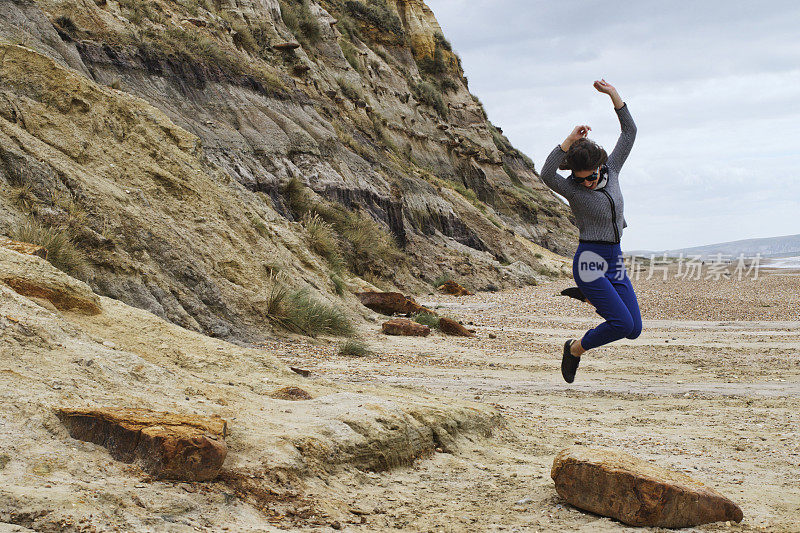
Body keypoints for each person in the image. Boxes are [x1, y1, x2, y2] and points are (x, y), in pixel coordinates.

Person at [539, 79, 642, 383]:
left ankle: (589, 299)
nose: (585, 182)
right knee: (621, 324)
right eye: (580, 178)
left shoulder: (613, 169)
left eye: (590, 176)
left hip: (615, 259)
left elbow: (629, 132)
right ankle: (573, 349)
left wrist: (614, 96)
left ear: (600, 166)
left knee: (633, 330)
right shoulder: (572, 189)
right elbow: (546, 173)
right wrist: (568, 141)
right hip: (589, 262)